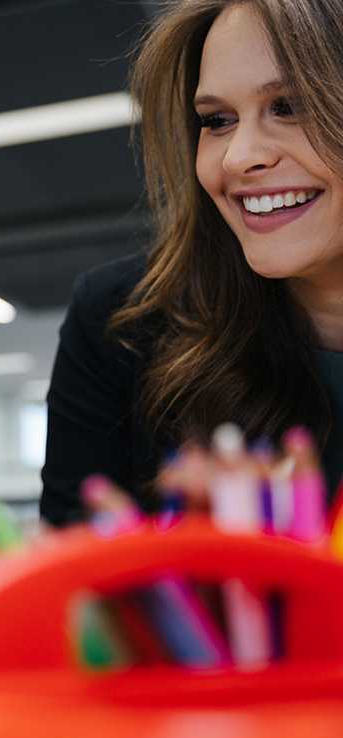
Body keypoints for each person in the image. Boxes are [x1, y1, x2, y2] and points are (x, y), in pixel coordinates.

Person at [42, 0, 343, 527]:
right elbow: (73, 587)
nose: (237, 156)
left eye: (290, 106)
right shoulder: (122, 324)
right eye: (217, 121)